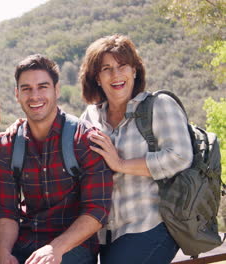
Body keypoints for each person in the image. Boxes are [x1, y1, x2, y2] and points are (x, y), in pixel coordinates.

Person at [0, 54, 113, 264]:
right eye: (26, 88)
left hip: (72, 245)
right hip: (25, 241)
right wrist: (4, 252)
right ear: (17, 94)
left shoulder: (84, 139)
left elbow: (96, 210)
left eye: (42, 87)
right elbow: (6, 211)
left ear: (57, 90)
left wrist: (55, 248)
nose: (34, 96)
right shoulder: (6, 146)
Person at [78, 34, 193, 264]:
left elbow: (180, 156)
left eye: (122, 66)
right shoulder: (90, 116)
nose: (116, 74)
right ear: (97, 78)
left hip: (152, 226)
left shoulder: (159, 105)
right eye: (106, 69)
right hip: (104, 235)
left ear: (134, 71)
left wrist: (120, 164)